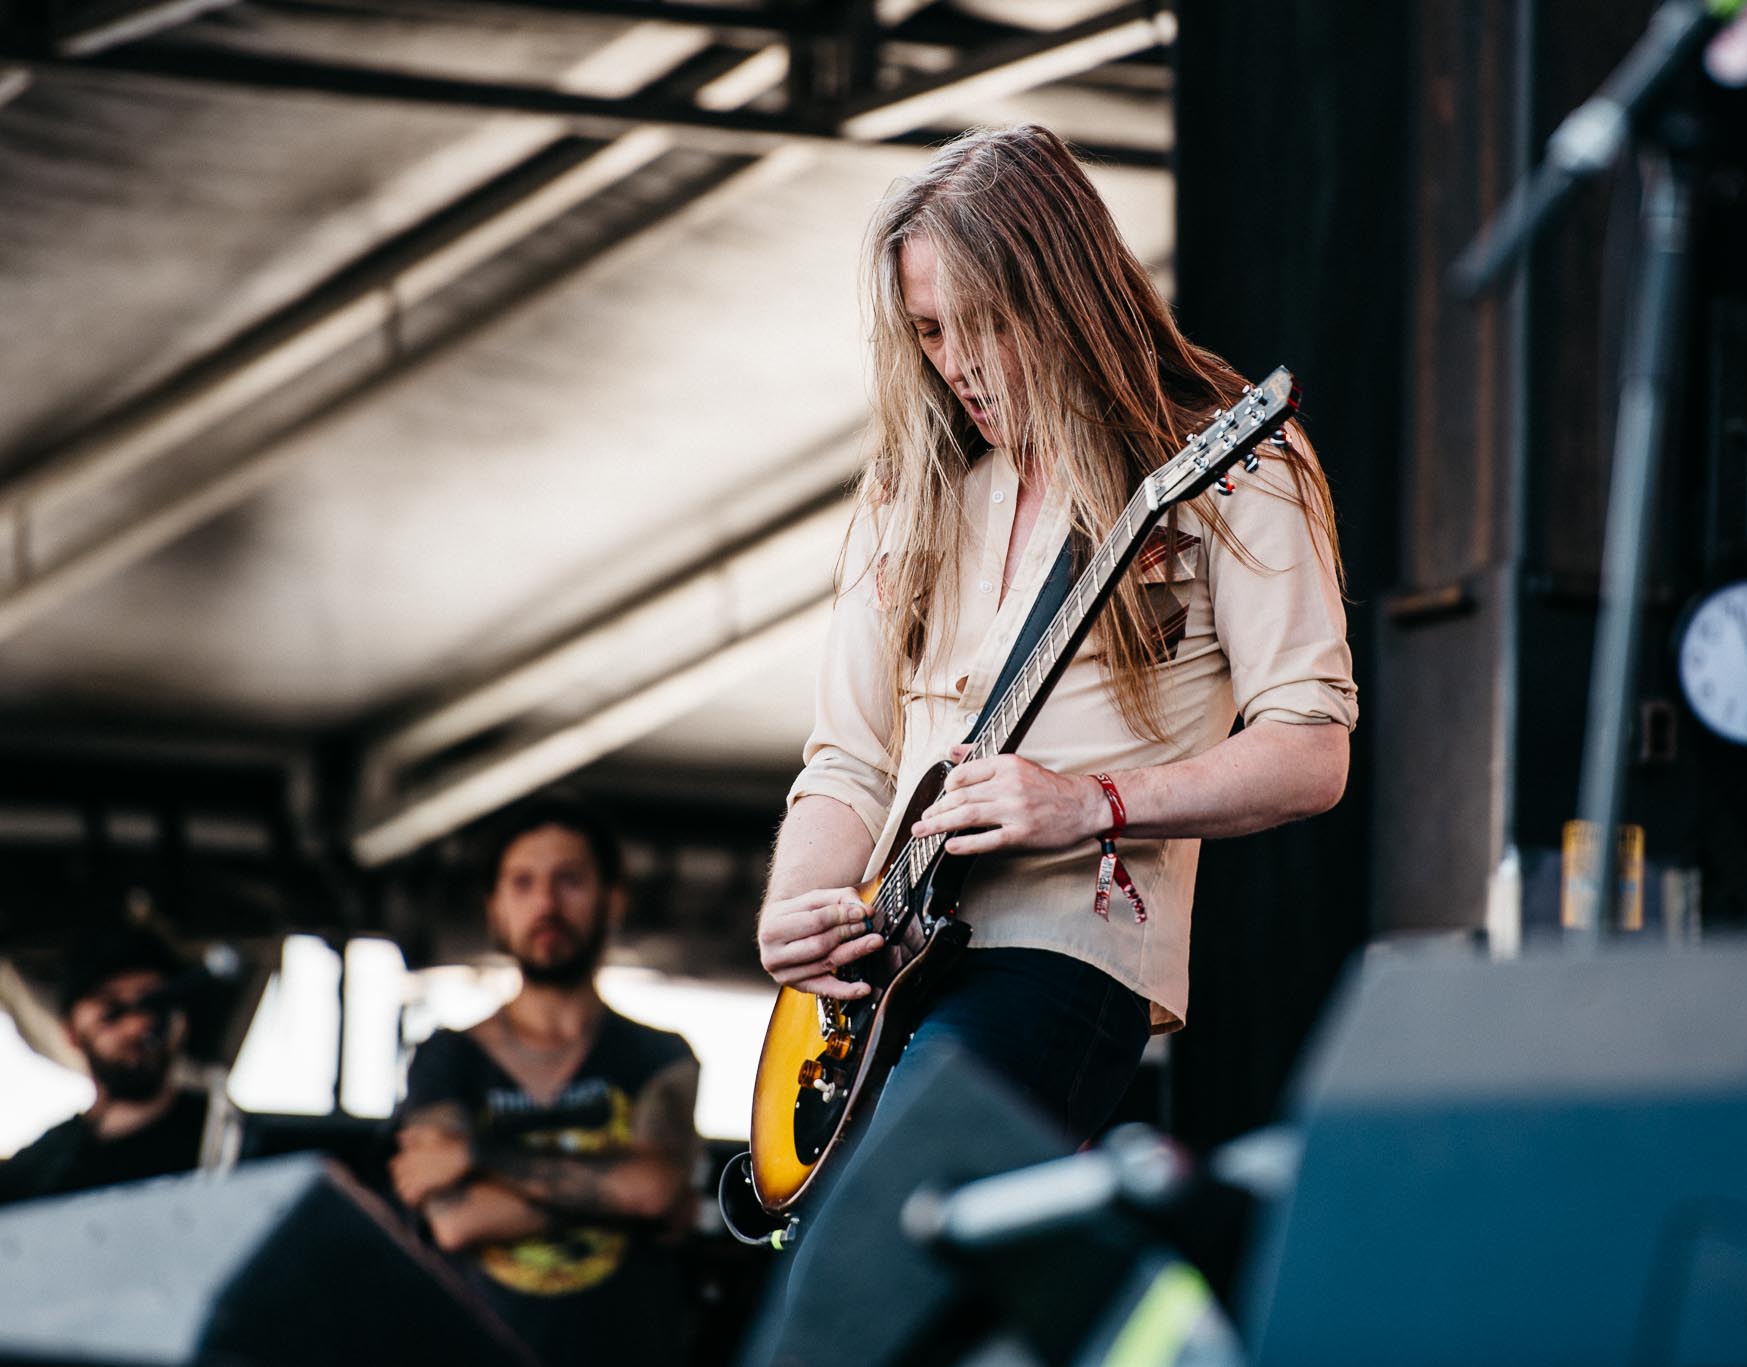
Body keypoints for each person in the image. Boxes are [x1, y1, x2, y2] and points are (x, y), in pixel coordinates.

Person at [756, 123, 1357, 1149]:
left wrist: (1092, 802)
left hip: (1062, 955)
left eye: (983, 324)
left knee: (878, 1269)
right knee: (890, 1291)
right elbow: (849, 759)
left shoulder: (1230, 462)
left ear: (1066, 290)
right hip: (880, 982)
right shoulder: (908, 489)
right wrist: (801, 905)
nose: (956, 366)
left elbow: (1311, 749)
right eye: (929, 331)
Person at [390, 793, 702, 1367]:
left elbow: (654, 1188)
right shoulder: (446, 1057)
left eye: (570, 881)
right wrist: (618, 1194)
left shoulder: (660, 1055)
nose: (546, 903)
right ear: (495, 909)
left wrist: (476, 1154)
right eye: (522, 883)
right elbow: (457, 1221)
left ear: (613, 901)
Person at [0, 927, 210, 1205]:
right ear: (72, 1033)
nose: (137, 1025)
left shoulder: (232, 1142)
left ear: (181, 1021)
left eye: (155, 1005)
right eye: (112, 1011)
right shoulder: (34, 1172)